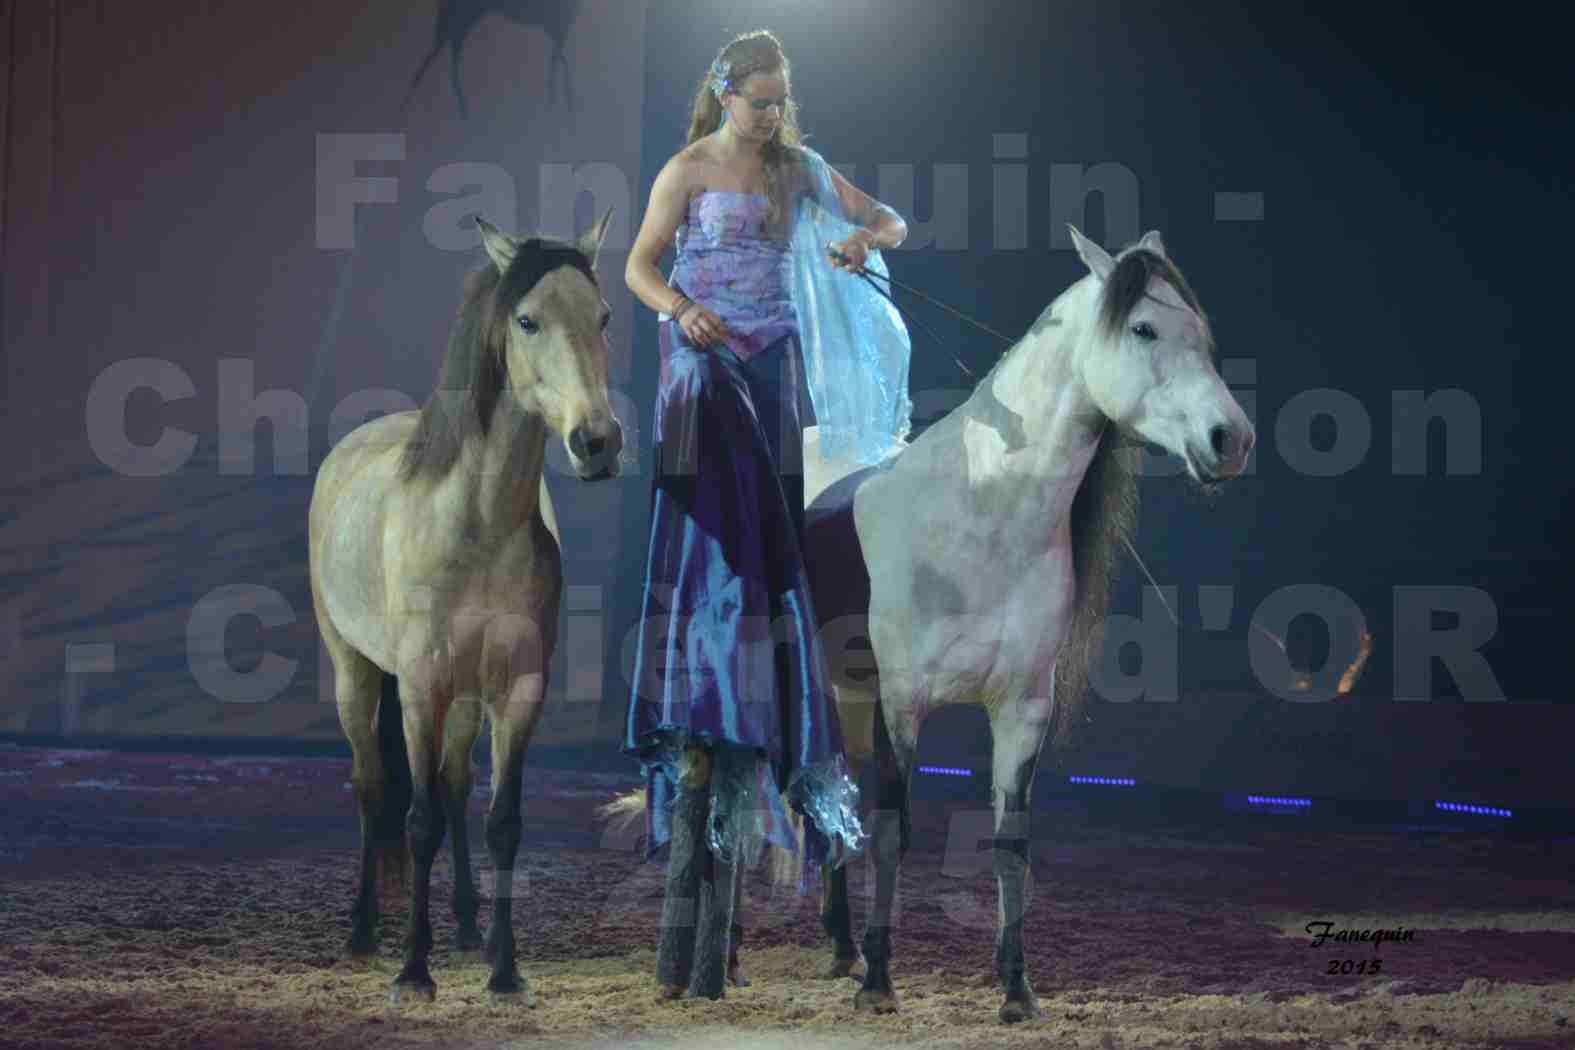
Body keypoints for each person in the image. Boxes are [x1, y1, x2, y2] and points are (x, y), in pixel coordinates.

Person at [621, 29, 913, 1000]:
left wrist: (860, 238)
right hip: (699, 369)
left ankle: (762, 668)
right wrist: (676, 309)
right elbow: (639, 265)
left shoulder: (802, 170)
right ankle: (698, 670)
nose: (772, 115)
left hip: (775, 372)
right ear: (723, 96)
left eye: (783, 100)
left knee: (770, 555)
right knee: (708, 542)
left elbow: (896, 223)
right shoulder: (689, 168)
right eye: (759, 101)